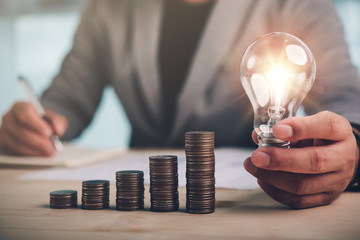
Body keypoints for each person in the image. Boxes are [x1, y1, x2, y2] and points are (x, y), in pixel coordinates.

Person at [0, 0, 359, 209]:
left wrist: (350, 149)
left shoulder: (298, 5)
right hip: (140, 204)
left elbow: (347, 101)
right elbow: (67, 99)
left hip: (246, 204)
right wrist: (34, 124)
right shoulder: (108, 7)